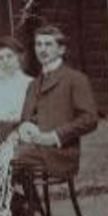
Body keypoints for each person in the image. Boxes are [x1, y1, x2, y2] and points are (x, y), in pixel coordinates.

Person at [12, 25, 99, 182]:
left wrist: (54, 136)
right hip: (32, 147)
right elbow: (26, 118)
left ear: (61, 50)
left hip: (59, 152)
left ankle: (22, 206)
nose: (42, 49)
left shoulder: (75, 79)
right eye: (38, 44)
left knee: (2, 161)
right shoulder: (34, 84)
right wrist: (23, 129)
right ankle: (21, 205)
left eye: (48, 44)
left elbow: (90, 119)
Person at [0, 36, 34, 129]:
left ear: (19, 57)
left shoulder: (31, 84)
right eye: (0, 58)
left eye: (9, 56)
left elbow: (30, 115)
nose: (5, 61)